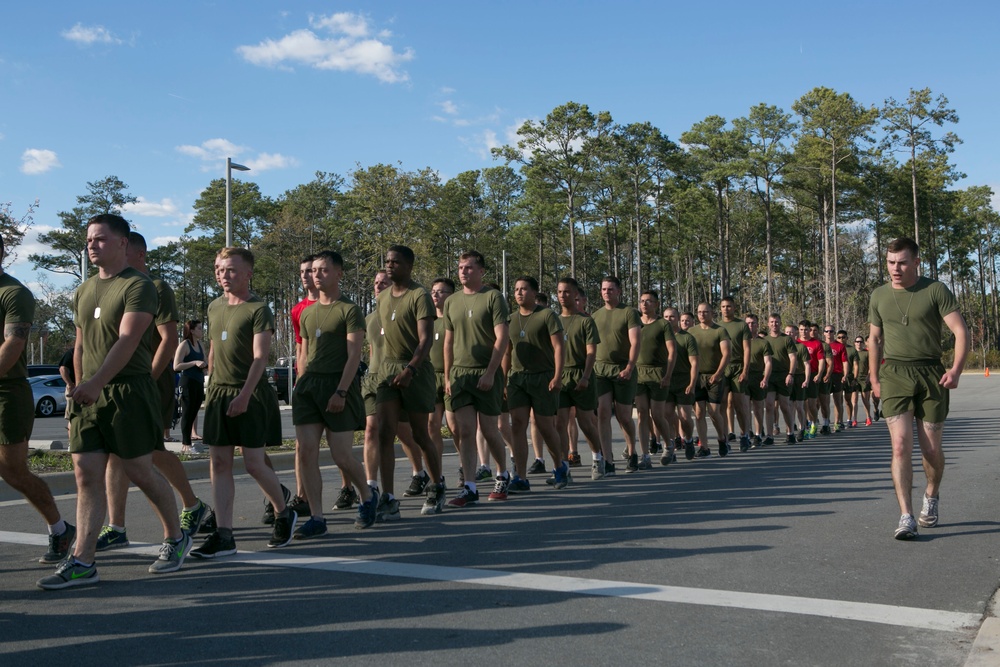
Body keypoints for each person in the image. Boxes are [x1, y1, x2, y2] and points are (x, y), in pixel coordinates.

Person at [37, 214, 190, 590]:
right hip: (89, 394)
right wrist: (76, 389)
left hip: (127, 390)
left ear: (123, 244)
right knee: (85, 473)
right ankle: (83, 561)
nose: (92, 245)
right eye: (89, 239)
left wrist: (97, 382)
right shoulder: (84, 289)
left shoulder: (139, 286)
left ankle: (175, 536)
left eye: (100, 239)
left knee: (139, 469)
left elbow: (128, 339)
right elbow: (80, 345)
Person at [96, 232, 210, 552]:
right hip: (122, 382)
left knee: (152, 451)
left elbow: (168, 340)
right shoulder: (115, 288)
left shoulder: (156, 287)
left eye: (123, 251)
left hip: (148, 380)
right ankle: (116, 526)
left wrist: (147, 380)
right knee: (120, 451)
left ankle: (190, 506)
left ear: (139, 255)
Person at [191, 247, 295, 558]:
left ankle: (282, 511)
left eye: (232, 270)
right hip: (220, 392)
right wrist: (211, 380)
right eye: (220, 270)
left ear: (248, 274)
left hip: (249, 392)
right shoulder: (213, 307)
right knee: (219, 463)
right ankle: (224, 535)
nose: (224, 275)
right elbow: (213, 349)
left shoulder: (257, 309)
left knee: (253, 463)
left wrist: (244, 395)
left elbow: (260, 357)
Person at [868, 237, 968, 540]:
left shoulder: (935, 289)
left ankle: (931, 495)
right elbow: (874, 339)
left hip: (931, 374)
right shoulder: (879, 295)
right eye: (890, 262)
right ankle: (906, 515)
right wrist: (873, 378)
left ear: (915, 262)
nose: (895, 269)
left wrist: (956, 369)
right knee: (899, 445)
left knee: (931, 448)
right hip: (895, 373)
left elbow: (960, 330)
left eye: (901, 262)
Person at [0, 236, 75, 567]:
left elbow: (13, 344)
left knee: (12, 471)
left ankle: (60, 528)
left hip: (6, 393)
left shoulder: (14, 293)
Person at [292, 250, 377, 538]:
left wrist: (341, 391)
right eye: (314, 270)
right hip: (308, 389)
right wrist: (300, 385)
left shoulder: (349, 310)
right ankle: (317, 517)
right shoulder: (306, 311)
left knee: (341, 456)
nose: (317, 275)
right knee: (305, 452)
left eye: (324, 270)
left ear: (338, 274)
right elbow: (302, 353)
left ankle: (366, 496)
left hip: (337, 386)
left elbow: (354, 355)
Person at [372, 245, 446, 518]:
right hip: (388, 368)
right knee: (384, 433)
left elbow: (425, 339)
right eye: (388, 261)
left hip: (415, 369)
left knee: (419, 434)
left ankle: (437, 486)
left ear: (409, 266)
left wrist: (411, 370)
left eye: (396, 262)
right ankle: (388, 497)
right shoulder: (381, 299)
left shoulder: (419, 296)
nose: (390, 266)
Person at [444, 251, 510, 507]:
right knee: (465, 432)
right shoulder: (452, 301)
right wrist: (449, 375)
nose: (463, 272)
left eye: (469, 268)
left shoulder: (493, 297)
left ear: (481, 271)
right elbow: (448, 342)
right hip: (460, 374)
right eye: (460, 267)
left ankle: (502, 474)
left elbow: (501, 338)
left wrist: (491, 372)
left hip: (486, 371)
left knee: (490, 429)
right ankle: (470, 486)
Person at [504, 276, 567, 488]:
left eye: (523, 289)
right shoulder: (510, 318)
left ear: (533, 292)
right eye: (516, 289)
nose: (519, 293)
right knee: (518, 425)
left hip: (544, 377)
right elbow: (507, 351)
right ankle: (520, 477)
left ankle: (559, 467)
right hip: (518, 378)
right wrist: (503, 379)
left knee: (545, 426)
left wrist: (557, 376)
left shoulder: (547, 315)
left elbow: (559, 347)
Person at [554, 278, 605, 480]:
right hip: (561, 375)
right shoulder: (554, 320)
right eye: (559, 292)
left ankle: (597, 458)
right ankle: (564, 466)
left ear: (575, 294)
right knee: (560, 423)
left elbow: (591, 352)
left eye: (566, 292)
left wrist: (585, 376)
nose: (562, 296)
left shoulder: (586, 321)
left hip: (581, 375)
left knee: (585, 422)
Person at [591, 276, 641, 476]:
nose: (606, 292)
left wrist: (629, 367)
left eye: (610, 289)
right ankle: (608, 459)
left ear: (619, 291)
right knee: (603, 412)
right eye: (603, 289)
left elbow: (635, 342)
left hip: (623, 369)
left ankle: (632, 452)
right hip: (600, 370)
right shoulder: (595, 315)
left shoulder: (629, 313)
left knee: (624, 416)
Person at [633, 291, 676, 471]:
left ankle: (668, 445)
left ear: (656, 304)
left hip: (658, 373)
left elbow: (672, 351)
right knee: (642, 414)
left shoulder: (663, 325)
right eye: (642, 301)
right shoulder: (634, 323)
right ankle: (645, 455)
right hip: (639, 373)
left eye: (649, 301)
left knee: (657, 415)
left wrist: (667, 375)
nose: (644, 304)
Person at [687, 302, 732, 458]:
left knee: (713, 412)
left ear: (712, 313)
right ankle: (704, 447)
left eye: (705, 312)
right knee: (699, 413)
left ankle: (722, 438)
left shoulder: (720, 331)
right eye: (699, 312)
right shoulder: (691, 332)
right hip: (697, 376)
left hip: (715, 376)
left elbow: (726, 354)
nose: (702, 315)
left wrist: (718, 373)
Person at [428, 278, 460, 486]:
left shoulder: (454, 320)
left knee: (455, 427)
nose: (436, 295)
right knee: (431, 426)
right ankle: (435, 474)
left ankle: (465, 467)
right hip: (430, 378)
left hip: (451, 377)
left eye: (441, 292)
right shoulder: (426, 320)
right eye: (433, 291)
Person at [663, 307, 698, 464]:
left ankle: (689, 440)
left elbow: (694, 362)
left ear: (677, 318)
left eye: (672, 317)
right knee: (666, 415)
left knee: (684, 418)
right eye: (666, 317)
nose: (669, 319)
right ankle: (670, 446)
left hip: (683, 381)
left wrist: (692, 382)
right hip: (665, 381)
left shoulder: (687, 338)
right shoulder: (660, 337)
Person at [718, 296, 752, 450]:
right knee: (723, 405)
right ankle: (724, 438)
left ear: (734, 308)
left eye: (729, 306)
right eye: (724, 306)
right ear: (720, 308)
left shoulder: (741, 325)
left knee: (739, 404)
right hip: (723, 368)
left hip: (738, 367)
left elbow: (747, 349)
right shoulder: (717, 326)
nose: (726, 309)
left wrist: (745, 370)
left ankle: (744, 435)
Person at [765, 314, 798, 445]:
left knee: (785, 405)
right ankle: (769, 435)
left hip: (784, 376)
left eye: (777, 322)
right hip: (770, 376)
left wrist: (791, 374)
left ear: (780, 323)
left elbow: (793, 358)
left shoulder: (787, 339)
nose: (774, 324)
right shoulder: (765, 340)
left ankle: (790, 433)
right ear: (768, 324)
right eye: (772, 322)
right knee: (769, 405)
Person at [174, 320, 207, 453]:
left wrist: (206, 366)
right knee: (187, 413)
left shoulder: (200, 344)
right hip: (187, 382)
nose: (201, 330)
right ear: (192, 330)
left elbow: (204, 361)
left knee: (194, 412)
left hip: (199, 382)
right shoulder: (184, 345)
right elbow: (176, 366)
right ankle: (186, 443)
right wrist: (194, 362)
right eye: (199, 328)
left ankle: (190, 441)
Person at [743, 314, 773, 448]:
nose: (751, 326)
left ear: (757, 324)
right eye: (748, 323)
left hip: (757, 377)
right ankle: (746, 434)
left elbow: (768, 362)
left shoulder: (763, 342)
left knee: (758, 408)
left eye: (753, 323)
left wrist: (765, 378)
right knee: (744, 407)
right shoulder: (739, 341)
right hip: (743, 377)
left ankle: (758, 435)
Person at [854, 335, 874, 425]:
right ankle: (854, 419)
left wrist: (869, 376)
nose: (859, 343)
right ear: (854, 343)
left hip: (864, 378)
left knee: (865, 399)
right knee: (854, 400)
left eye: (861, 342)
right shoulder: (852, 352)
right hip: (854, 378)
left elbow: (871, 366)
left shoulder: (866, 353)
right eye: (857, 342)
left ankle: (868, 417)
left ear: (863, 343)